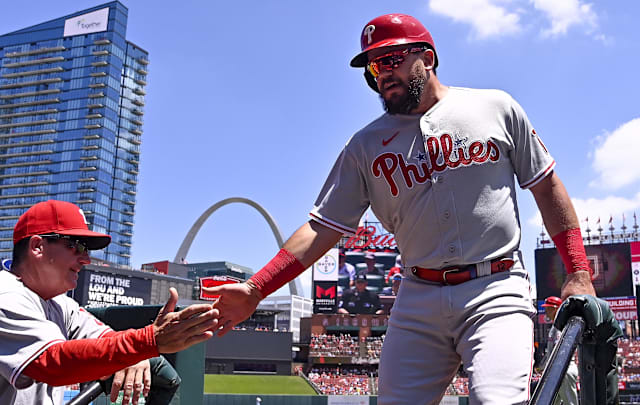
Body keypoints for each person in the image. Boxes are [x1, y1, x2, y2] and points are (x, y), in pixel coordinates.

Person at [206, 13, 595, 405]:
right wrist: (258, 288)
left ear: (427, 57)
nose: (382, 74)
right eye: (374, 66)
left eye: (392, 59)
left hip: (495, 286)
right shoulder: (364, 146)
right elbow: (320, 228)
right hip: (417, 296)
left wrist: (577, 270)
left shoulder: (495, 107)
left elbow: (546, 187)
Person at [0, 200, 219, 405]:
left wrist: (137, 353)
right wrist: (147, 342)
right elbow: (52, 364)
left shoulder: (59, 303)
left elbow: (107, 340)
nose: (86, 258)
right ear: (38, 247)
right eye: (76, 246)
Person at [537, 296, 579, 405]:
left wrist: (546, 367)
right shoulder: (555, 326)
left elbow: (560, 351)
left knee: (570, 403)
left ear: (556, 309)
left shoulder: (563, 325)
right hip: (557, 370)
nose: (545, 312)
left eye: (548, 308)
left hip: (564, 369)